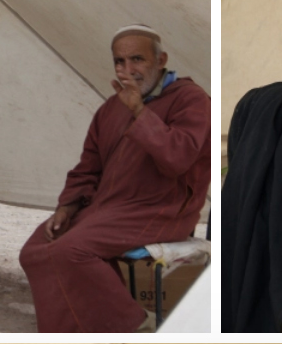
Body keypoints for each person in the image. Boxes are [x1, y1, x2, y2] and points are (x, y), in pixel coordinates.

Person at [20, 26, 212, 332]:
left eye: (137, 59)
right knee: (35, 251)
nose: (127, 70)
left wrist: (139, 111)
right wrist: (67, 208)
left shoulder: (192, 99)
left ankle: (135, 327)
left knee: (72, 251)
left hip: (161, 209)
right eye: (119, 62)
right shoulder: (110, 108)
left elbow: (178, 159)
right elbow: (87, 168)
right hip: (108, 209)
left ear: (161, 60)